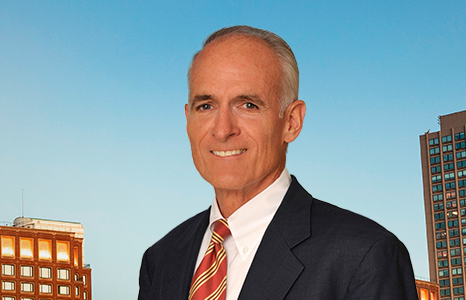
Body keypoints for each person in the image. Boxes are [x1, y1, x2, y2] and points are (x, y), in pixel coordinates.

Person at [137, 25, 415, 300]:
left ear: (292, 122)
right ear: (188, 120)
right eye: (206, 106)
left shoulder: (364, 256)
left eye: (248, 105)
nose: (222, 130)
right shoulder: (161, 260)